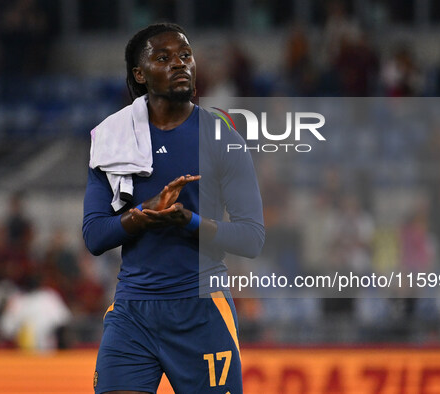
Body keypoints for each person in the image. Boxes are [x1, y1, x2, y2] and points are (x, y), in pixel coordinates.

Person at [82, 23, 264, 394]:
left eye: (185, 55)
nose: (179, 64)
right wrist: (142, 214)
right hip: (133, 312)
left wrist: (189, 221)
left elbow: (252, 238)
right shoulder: (112, 139)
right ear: (140, 74)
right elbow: (95, 235)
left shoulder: (223, 136)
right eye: (163, 58)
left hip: (202, 311)